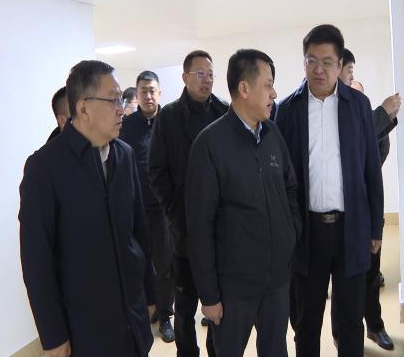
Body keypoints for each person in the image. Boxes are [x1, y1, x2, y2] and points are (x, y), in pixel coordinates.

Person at [19, 60, 157, 357]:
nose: (122, 109)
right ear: (83, 108)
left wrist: (149, 292)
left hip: (132, 316)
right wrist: (53, 335)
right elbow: (36, 260)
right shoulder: (45, 167)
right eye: (114, 100)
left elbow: (139, 231)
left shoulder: (124, 155)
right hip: (85, 326)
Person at [274, 25, 384, 357]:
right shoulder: (287, 109)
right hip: (307, 232)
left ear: (339, 65)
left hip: (351, 228)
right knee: (306, 322)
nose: (318, 70)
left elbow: (371, 170)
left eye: (326, 62)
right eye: (311, 61)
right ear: (304, 62)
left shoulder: (359, 106)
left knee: (350, 321)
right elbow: (281, 177)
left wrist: (375, 228)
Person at [186, 49, 301, 357]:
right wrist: (209, 296)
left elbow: (290, 187)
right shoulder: (209, 145)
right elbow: (199, 226)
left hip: (276, 281)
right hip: (233, 287)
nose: (274, 94)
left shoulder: (272, 133)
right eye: (268, 85)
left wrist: (291, 233)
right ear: (244, 88)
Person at [148, 50, 228, 357]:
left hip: (218, 228)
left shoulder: (223, 112)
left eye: (210, 74)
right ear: (185, 77)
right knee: (184, 303)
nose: (207, 80)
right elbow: (156, 170)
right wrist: (173, 210)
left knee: (217, 303)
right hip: (183, 227)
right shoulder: (168, 117)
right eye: (200, 74)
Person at [331, 48, 401, 351]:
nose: (352, 78)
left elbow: (373, 157)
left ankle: (375, 326)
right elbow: (351, 146)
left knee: (371, 274)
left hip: (367, 211)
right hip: (338, 215)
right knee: (343, 281)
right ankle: (343, 336)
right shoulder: (327, 112)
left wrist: (382, 118)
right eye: (350, 72)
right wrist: (382, 114)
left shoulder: (365, 118)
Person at [119, 70, 175, 343]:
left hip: (163, 208)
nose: (148, 96)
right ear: (137, 94)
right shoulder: (126, 126)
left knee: (164, 265)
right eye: (143, 91)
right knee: (139, 263)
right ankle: (147, 308)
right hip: (135, 208)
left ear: (159, 93)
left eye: (152, 91)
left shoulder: (169, 122)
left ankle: (165, 316)